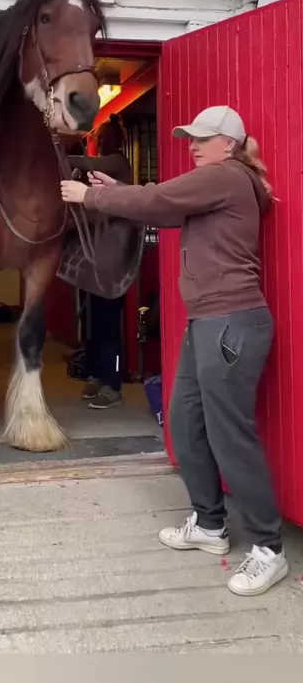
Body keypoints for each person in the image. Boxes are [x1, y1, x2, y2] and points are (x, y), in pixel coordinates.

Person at [61, 105, 287, 597]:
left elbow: (161, 197)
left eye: (203, 138)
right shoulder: (215, 185)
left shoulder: (227, 176)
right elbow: (164, 209)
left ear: (229, 144)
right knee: (184, 423)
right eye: (191, 138)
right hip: (207, 323)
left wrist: (91, 195)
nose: (193, 145)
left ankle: (269, 548)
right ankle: (209, 524)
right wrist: (114, 190)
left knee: (230, 437)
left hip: (230, 322)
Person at [68, 114, 132, 408]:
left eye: (106, 137)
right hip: (95, 262)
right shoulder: (100, 174)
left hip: (113, 263)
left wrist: (60, 155)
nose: (103, 142)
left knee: (107, 325)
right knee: (92, 322)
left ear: (117, 140)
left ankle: (113, 384)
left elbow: (89, 163)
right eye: (100, 138)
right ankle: (95, 374)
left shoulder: (117, 164)